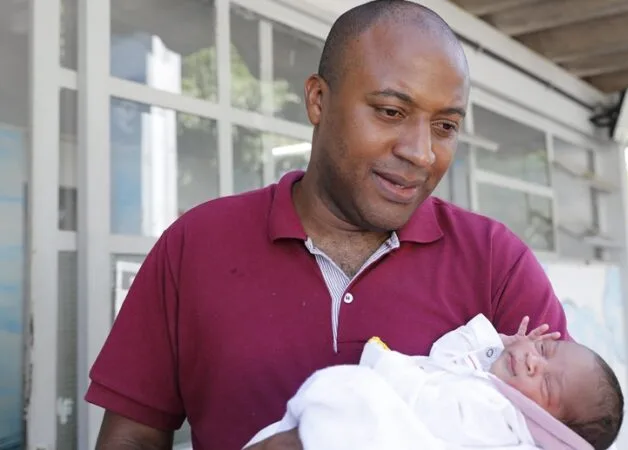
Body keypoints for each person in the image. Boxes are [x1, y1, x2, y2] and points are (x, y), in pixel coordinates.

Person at [87, 1, 573, 449]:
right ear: (318, 100)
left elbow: (565, 429)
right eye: (391, 112)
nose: (421, 153)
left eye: (445, 126)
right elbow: (131, 437)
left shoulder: (495, 263)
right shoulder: (196, 244)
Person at [242, 315, 623, 450]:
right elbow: (445, 359)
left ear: (550, 430)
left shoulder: (499, 416)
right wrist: (492, 344)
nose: (532, 362)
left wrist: (387, 365)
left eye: (547, 386)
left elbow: (428, 406)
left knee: (356, 394)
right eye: (543, 348)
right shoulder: (490, 386)